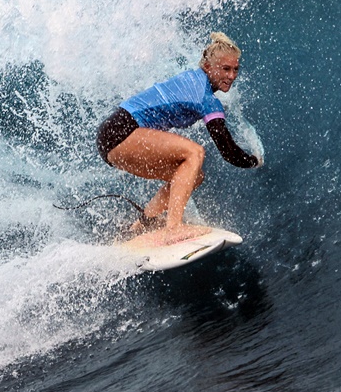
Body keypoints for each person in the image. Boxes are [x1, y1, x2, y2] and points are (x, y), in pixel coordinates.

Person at [95, 32, 261, 240]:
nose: (231, 76)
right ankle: (174, 228)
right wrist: (254, 161)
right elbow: (228, 151)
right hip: (121, 131)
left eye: (235, 69)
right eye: (225, 69)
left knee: (193, 176)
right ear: (208, 67)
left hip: (112, 136)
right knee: (194, 152)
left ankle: (143, 224)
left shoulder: (194, 80)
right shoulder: (205, 97)